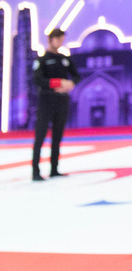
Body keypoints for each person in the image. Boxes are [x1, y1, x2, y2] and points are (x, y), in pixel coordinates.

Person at [32, 28, 80, 181]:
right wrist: (58, 82)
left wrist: (70, 83)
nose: (60, 42)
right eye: (58, 39)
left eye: (62, 40)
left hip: (61, 100)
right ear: (51, 39)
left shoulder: (64, 59)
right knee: (40, 136)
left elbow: (77, 75)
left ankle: (54, 169)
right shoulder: (42, 60)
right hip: (46, 100)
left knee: (57, 135)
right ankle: (35, 171)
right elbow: (38, 80)